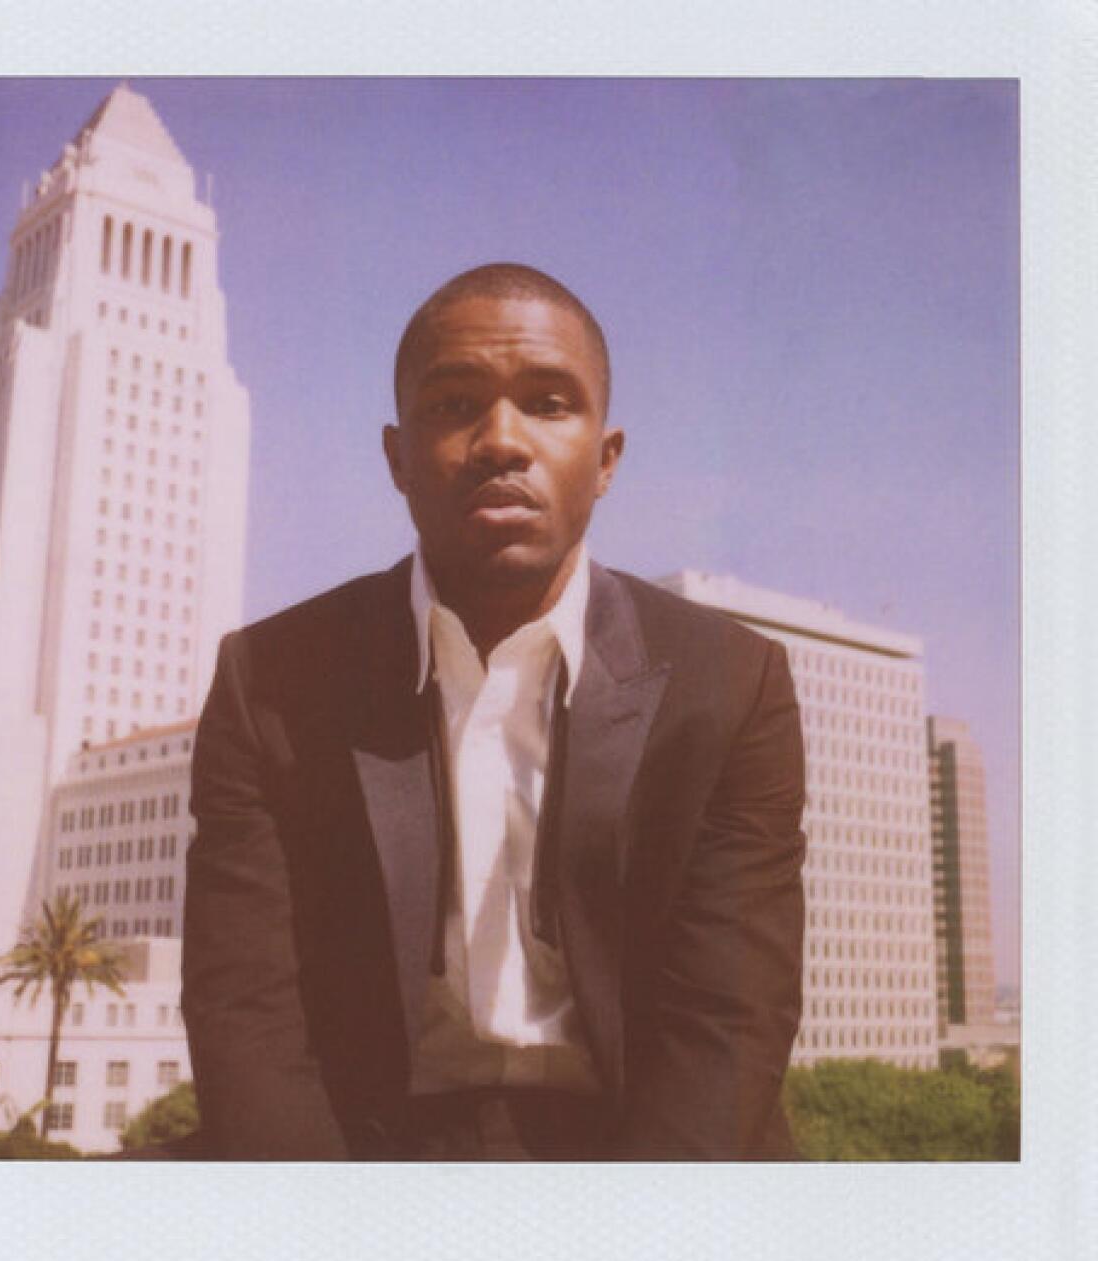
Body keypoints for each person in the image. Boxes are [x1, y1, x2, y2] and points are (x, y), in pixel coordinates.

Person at [181, 262, 806, 1161]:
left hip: (640, 1147)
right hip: (372, 1153)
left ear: (606, 459)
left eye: (551, 404)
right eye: (454, 404)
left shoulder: (730, 684)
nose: (501, 440)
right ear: (397, 459)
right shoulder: (270, 680)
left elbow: (729, 1019)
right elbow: (246, 1009)